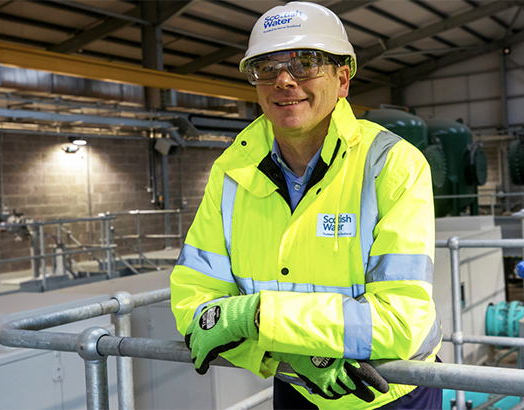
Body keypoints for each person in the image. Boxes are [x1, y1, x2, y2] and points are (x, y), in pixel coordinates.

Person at [170, 2, 442, 409]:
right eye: (266, 67)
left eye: (306, 63)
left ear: (343, 78)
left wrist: (256, 316)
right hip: (296, 383)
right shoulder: (230, 173)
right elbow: (195, 308)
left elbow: (401, 320)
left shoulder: (391, 165)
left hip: (389, 391)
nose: (283, 80)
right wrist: (296, 355)